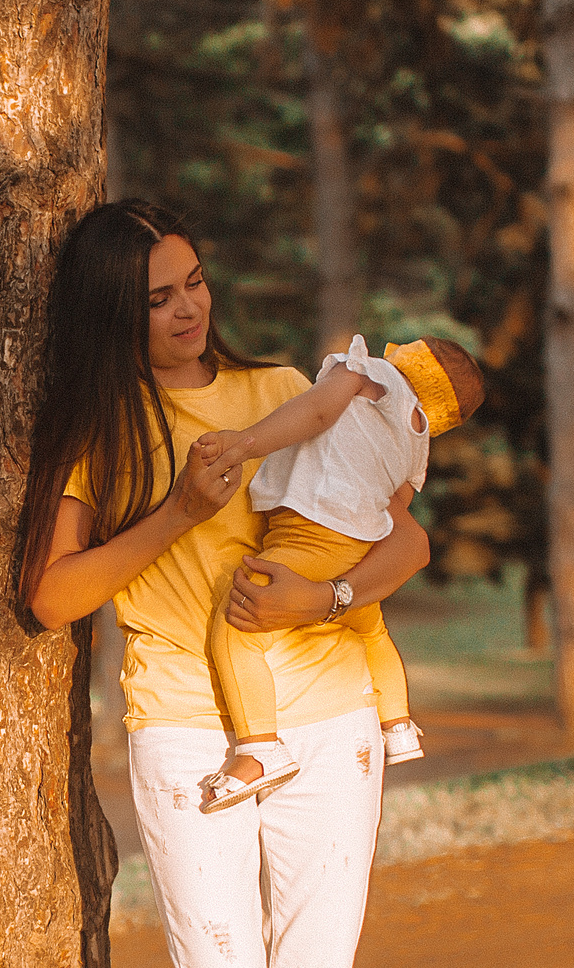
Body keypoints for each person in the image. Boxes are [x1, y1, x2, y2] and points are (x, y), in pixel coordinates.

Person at [18, 199, 432, 968]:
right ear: (113, 312)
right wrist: (180, 512)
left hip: (330, 722)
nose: (187, 308)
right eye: (156, 296)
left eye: (193, 281)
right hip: (190, 737)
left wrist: (326, 602)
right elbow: (52, 597)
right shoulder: (101, 425)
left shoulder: (288, 392)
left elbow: (404, 542)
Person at [191, 331, 488, 811]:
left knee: (237, 625)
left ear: (412, 359)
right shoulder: (417, 443)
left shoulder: (369, 373)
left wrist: (243, 445)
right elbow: (396, 507)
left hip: (308, 537)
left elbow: (316, 412)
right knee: (371, 630)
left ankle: (258, 751)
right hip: (357, 551)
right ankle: (398, 725)